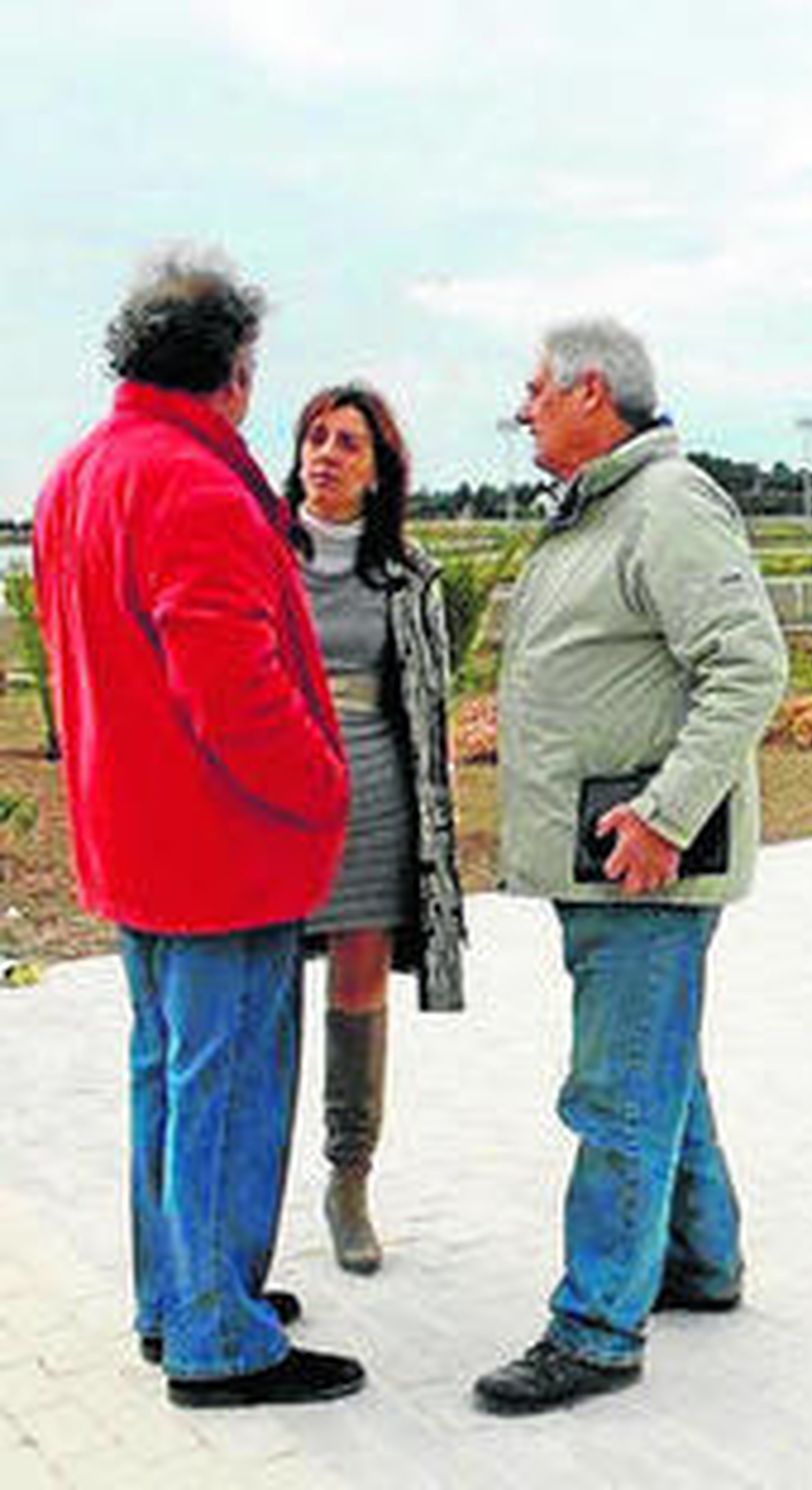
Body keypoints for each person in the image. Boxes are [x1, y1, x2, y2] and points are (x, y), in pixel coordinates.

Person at [32, 250, 365, 1408]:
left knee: (169, 1078)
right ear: (233, 371)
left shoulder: (81, 471)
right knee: (223, 1084)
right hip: (219, 847)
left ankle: (178, 1292)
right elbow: (236, 688)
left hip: (134, 838)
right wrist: (325, 784)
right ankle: (218, 1334)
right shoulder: (195, 484)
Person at [473, 318, 788, 1415]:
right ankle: (701, 1260)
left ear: (588, 391)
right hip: (605, 858)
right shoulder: (605, 507)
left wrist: (661, 815)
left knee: (616, 1090)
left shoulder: (666, 504)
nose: (522, 406)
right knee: (660, 1066)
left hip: (642, 861)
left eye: (534, 388)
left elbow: (750, 665)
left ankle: (597, 1326)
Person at [283, 383, 466, 1274]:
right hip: (272, 800)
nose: (326, 453)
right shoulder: (257, 552)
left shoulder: (409, 573)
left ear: (378, 466)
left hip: (375, 798)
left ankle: (347, 1179)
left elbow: (428, 705)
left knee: (357, 991)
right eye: (316, 437)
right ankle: (245, 1185)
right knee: (260, 989)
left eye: (348, 442)